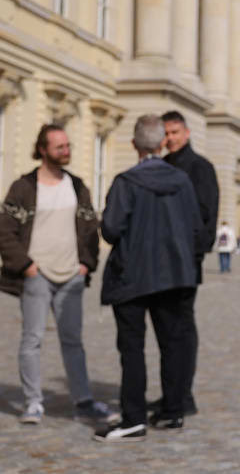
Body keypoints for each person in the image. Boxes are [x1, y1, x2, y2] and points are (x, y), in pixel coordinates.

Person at [94, 115, 204, 442]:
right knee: (172, 344)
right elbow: (195, 226)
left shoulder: (126, 182)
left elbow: (111, 229)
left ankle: (133, 418)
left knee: (132, 349)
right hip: (174, 273)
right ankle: (173, 411)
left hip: (132, 274)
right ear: (162, 143)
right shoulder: (182, 181)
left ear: (134, 144)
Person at [0, 124, 118, 426]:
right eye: (59, 147)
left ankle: (83, 400)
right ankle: (33, 402)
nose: (66, 151)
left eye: (68, 146)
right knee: (32, 340)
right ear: (43, 150)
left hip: (71, 277)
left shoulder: (77, 186)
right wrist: (26, 266)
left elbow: (91, 229)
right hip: (36, 275)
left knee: (73, 341)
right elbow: (5, 230)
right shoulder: (23, 187)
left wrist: (85, 264)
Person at [154, 110, 219, 418]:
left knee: (180, 329)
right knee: (165, 331)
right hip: (159, 262)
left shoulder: (200, 168)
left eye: (174, 132)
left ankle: (182, 396)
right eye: (165, 134)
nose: (170, 139)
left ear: (187, 133)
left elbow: (207, 218)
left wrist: (192, 256)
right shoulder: (162, 165)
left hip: (184, 263)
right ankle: (172, 394)